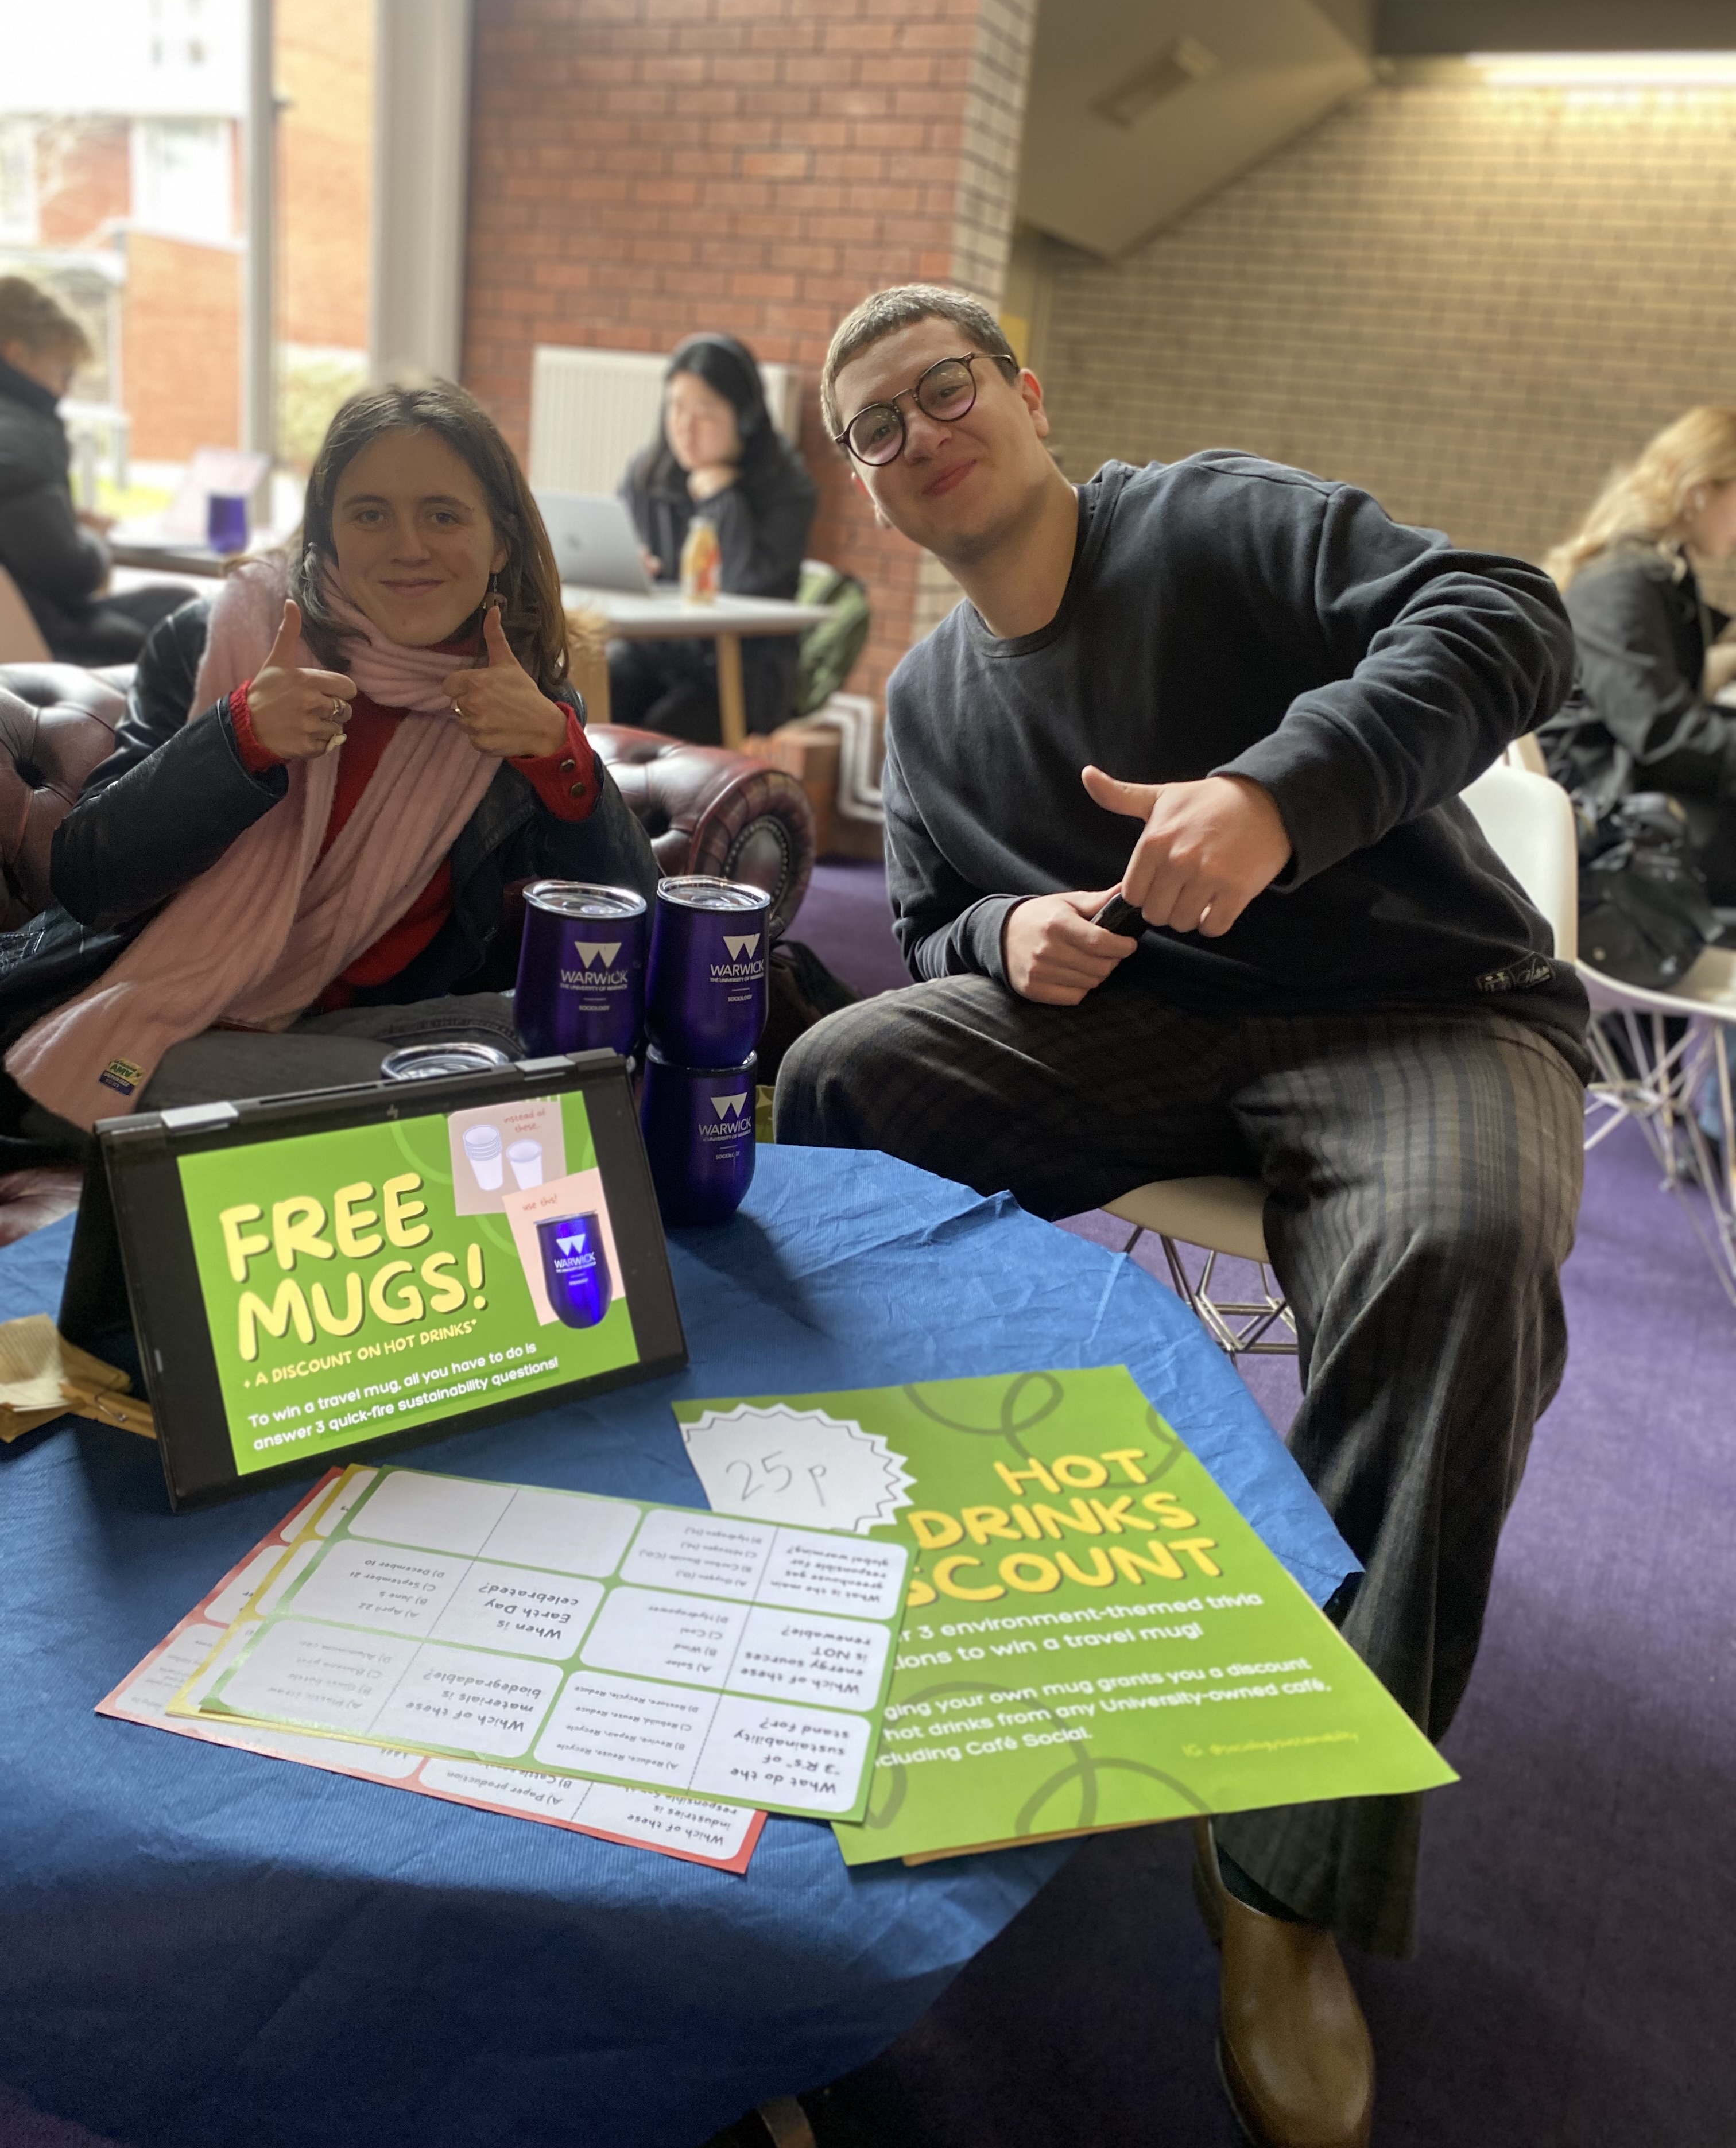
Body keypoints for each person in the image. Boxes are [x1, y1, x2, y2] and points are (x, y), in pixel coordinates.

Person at [774, 285, 1591, 2148]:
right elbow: (925, 925)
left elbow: (1508, 615)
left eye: (945, 389)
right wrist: (1007, 933)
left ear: (1026, 392)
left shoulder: (1209, 525)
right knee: (837, 1081)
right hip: (1147, 1031)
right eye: (874, 428)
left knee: (1458, 1254)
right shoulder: (930, 695)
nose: (917, 435)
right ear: (869, 490)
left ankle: (1288, 1867)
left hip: (1424, 1013)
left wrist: (1274, 798)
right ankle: (881, 1559)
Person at [0, 378, 658, 1147]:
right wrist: (238, 739)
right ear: (327, 536)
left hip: (337, 1035)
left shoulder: (522, 705)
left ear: (501, 542)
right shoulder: (216, 640)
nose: (408, 546)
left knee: (583, 1041)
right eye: (370, 514)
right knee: (481, 1104)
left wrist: (557, 753)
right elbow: (87, 879)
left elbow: (638, 931)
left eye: (443, 515)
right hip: (132, 1029)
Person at [1540, 405, 1736, 899]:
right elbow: (1662, 732)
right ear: (1700, 490)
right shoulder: (1621, 580)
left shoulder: (1648, 575)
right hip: (1606, 822)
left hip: (1628, 799)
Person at [612, 332, 817, 741]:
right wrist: (629, 566)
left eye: (704, 414)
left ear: (745, 418)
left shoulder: (787, 487)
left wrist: (723, 500)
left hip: (741, 671)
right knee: (592, 700)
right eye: (676, 408)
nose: (685, 429)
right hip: (657, 654)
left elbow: (742, 585)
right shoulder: (647, 473)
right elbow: (623, 553)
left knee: (662, 735)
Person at [0, 275, 196, 664]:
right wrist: (92, 537)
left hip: (31, 620)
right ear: (17, 355)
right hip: (40, 641)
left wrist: (61, 522)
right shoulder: (19, 437)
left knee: (179, 607)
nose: (65, 391)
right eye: (64, 373)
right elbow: (70, 572)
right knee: (192, 621)